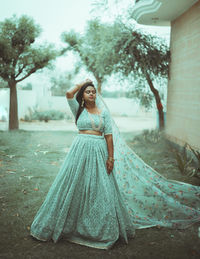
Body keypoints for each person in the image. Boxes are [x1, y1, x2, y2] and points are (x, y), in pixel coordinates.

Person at [30, 79, 200, 249]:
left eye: (93, 91)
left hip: (99, 150)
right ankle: (69, 224)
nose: (91, 94)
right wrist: (83, 82)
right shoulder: (78, 110)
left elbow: (109, 136)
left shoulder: (103, 112)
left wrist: (110, 158)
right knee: (74, 184)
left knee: (100, 186)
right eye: (88, 91)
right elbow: (68, 94)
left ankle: (101, 227)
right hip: (79, 150)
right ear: (82, 95)